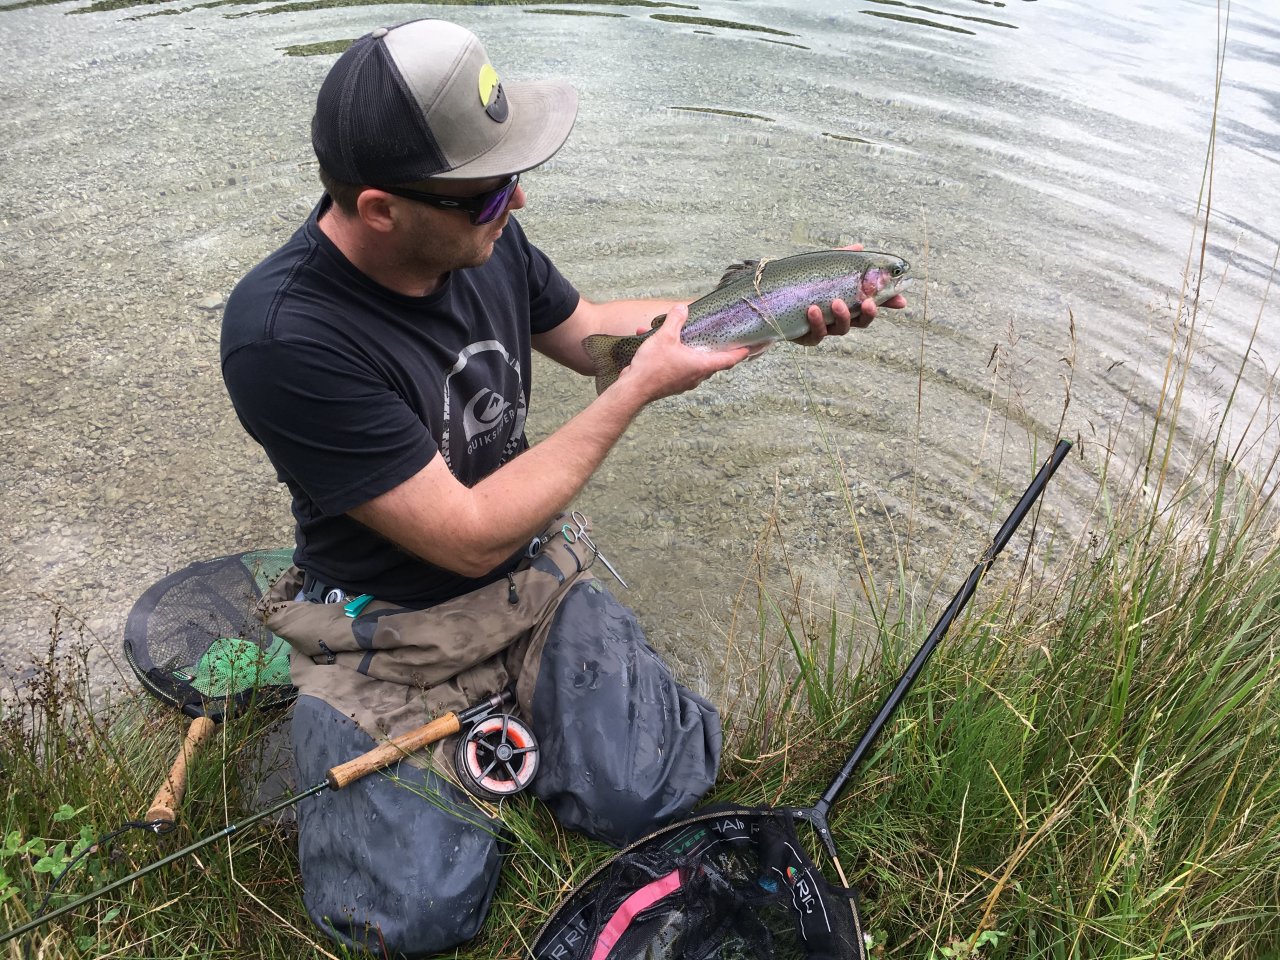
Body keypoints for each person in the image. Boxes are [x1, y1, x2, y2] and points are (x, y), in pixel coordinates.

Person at [220, 17, 905, 959]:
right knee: (410, 922)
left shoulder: (481, 236)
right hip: (387, 626)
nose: (518, 199)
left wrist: (764, 315)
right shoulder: (285, 336)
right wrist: (634, 393)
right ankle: (345, 740)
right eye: (490, 190)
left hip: (529, 585)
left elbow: (593, 336)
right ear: (380, 209)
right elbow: (464, 531)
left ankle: (506, 730)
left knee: (660, 790)